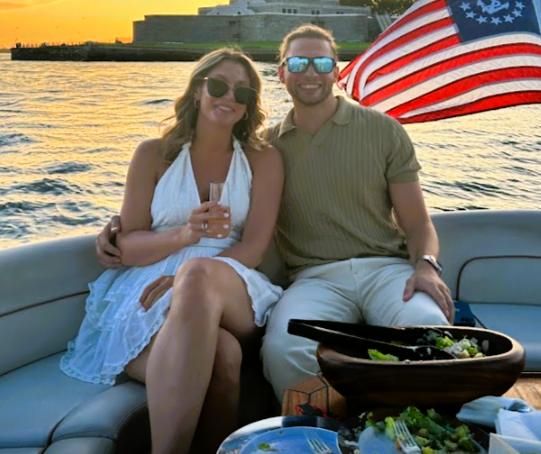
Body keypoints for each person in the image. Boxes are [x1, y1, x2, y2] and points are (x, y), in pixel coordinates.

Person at [97, 25, 454, 403]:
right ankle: (320, 434)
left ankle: (425, 434)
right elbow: (204, 178)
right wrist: (115, 229)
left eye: (322, 63)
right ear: (282, 73)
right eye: (298, 62)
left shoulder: (384, 131)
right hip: (314, 279)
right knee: (284, 351)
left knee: (430, 333)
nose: (310, 73)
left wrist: (427, 266)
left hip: (388, 271)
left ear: (337, 71)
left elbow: (417, 224)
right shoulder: (264, 150)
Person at [63, 48, 284, 454]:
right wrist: (184, 235)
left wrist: (185, 277)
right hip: (149, 282)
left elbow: (253, 247)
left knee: (198, 276)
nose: (229, 97)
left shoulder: (263, 158)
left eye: (243, 92)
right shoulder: (153, 154)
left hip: (230, 277)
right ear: (197, 90)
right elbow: (128, 245)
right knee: (224, 355)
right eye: (218, 85)